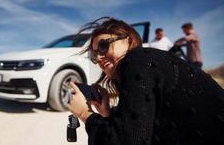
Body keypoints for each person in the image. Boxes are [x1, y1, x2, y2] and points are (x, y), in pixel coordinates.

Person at [67, 17, 224, 145]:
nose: (99, 57)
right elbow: (141, 126)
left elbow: (128, 140)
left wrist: (84, 113)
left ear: (128, 41)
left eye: (103, 46)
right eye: (94, 56)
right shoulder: (141, 69)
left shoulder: (138, 59)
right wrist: (106, 111)